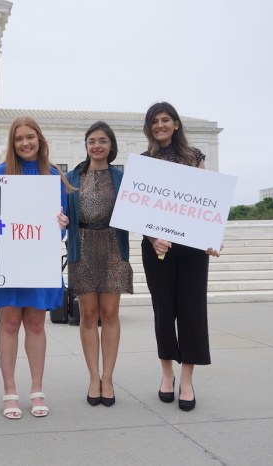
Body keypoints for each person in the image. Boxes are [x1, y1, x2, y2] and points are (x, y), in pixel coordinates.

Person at [0, 116, 72, 419]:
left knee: (37, 325)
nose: (25, 143)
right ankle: (10, 390)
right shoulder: (1, 173)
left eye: (30, 137)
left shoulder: (52, 174)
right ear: (12, 144)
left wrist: (61, 225)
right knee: (10, 324)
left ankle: (37, 389)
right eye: (19, 139)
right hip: (9, 260)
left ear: (40, 139)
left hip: (38, 259)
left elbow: (61, 226)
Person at [140, 102, 221, 412]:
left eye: (165, 120)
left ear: (175, 124)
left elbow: (205, 203)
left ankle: (187, 380)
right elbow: (138, 209)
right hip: (157, 246)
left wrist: (211, 239)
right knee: (164, 311)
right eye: (154, 121)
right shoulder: (145, 162)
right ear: (149, 128)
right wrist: (152, 237)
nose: (160, 125)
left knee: (191, 311)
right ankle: (166, 375)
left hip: (191, 248)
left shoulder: (194, 157)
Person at [65, 121, 133, 407]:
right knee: (88, 315)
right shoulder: (70, 177)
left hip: (112, 248)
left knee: (110, 314)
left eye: (103, 140)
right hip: (83, 246)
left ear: (111, 146)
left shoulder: (123, 177)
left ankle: (108, 377)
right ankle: (94, 377)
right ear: (85, 145)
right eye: (91, 140)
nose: (96, 145)